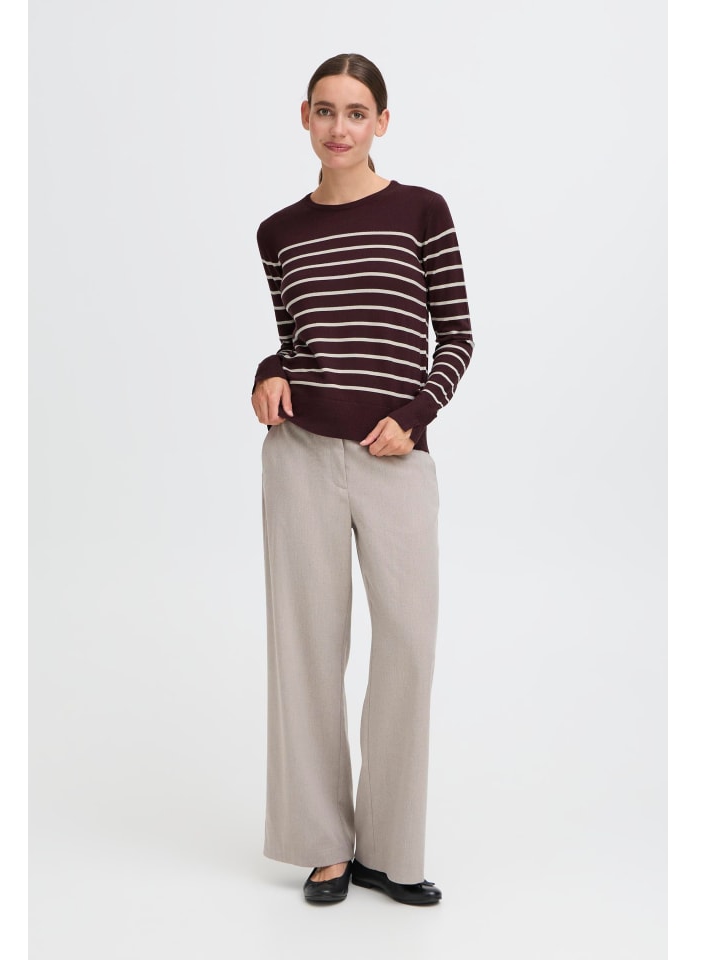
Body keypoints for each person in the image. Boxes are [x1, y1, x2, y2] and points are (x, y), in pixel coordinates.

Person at [251, 53, 474, 906]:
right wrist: (269, 369)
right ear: (303, 117)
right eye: (324, 110)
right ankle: (323, 846)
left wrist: (416, 413)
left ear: (382, 122)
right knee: (306, 649)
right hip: (301, 454)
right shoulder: (278, 231)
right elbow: (295, 337)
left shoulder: (422, 211)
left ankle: (389, 848)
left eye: (355, 112)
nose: (338, 127)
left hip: (395, 458)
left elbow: (456, 335)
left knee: (408, 645)